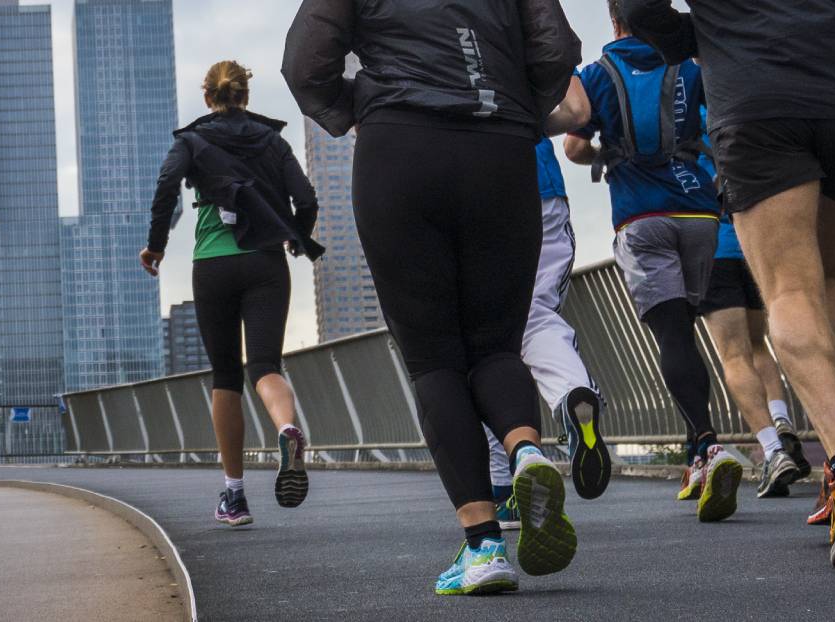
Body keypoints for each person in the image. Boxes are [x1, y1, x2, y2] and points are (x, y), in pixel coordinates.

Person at [622, 0, 835, 568]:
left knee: (791, 288)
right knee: (828, 272)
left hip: (754, 89)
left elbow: (637, 6)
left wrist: (690, 39)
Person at [285, 0, 582, 595]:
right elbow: (556, 49)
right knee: (498, 346)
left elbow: (305, 63)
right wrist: (511, 103)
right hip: (500, 149)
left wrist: (364, 107)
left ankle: (484, 547)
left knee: (434, 359)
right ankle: (526, 451)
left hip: (401, 148)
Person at [561, 2, 742, 522]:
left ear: (615, 20)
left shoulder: (595, 74)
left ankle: (707, 446)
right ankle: (695, 458)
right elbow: (720, 118)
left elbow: (573, 147)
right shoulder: (688, 61)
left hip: (642, 219)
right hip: (701, 215)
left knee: (673, 338)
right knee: (687, 327)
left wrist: (606, 155)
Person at [141, 60, 322, 527]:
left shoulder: (192, 140)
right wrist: (294, 236)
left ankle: (235, 496)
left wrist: (157, 244)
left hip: (213, 265)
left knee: (226, 376)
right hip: (265, 262)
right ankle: (286, 427)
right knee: (265, 365)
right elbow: (307, 199)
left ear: (208, 97)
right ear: (246, 95)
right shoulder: (273, 141)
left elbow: (165, 186)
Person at [487, 81, 612, 533]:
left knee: (482, 340)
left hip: (467, 185)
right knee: (536, 312)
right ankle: (571, 391)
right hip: (538, 185)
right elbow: (578, 111)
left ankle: (503, 488)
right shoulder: (526, 15)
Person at [699, 222, 811, 498]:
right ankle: (781, 418)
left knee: (735, 355)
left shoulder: (685, 174)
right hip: (750, 248)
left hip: (713, 254)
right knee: (758, 344)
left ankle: (774, 451)